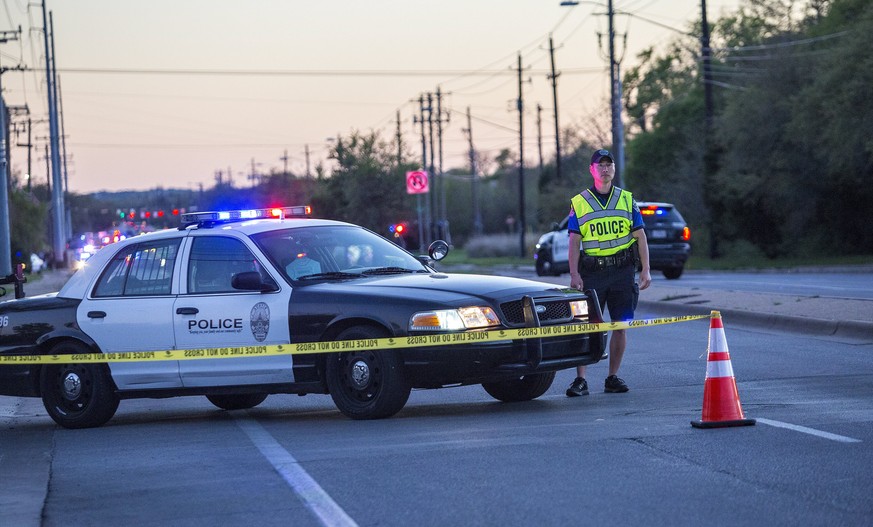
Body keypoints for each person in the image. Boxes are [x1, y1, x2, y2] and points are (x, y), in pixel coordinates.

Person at [566, 149, 651, 397]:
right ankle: (580, 380)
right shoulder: (579, 202)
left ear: (614, 169)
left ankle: (612, 377)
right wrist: (574, 274)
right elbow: (574, 242)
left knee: (620, 325)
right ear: (592, 170)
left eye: (609, 164)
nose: (605, 169)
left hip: (623, 271)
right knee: (587, 326)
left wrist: (646, 269)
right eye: (600, 165)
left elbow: (640, 236)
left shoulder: (626, 199)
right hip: (592, 273)